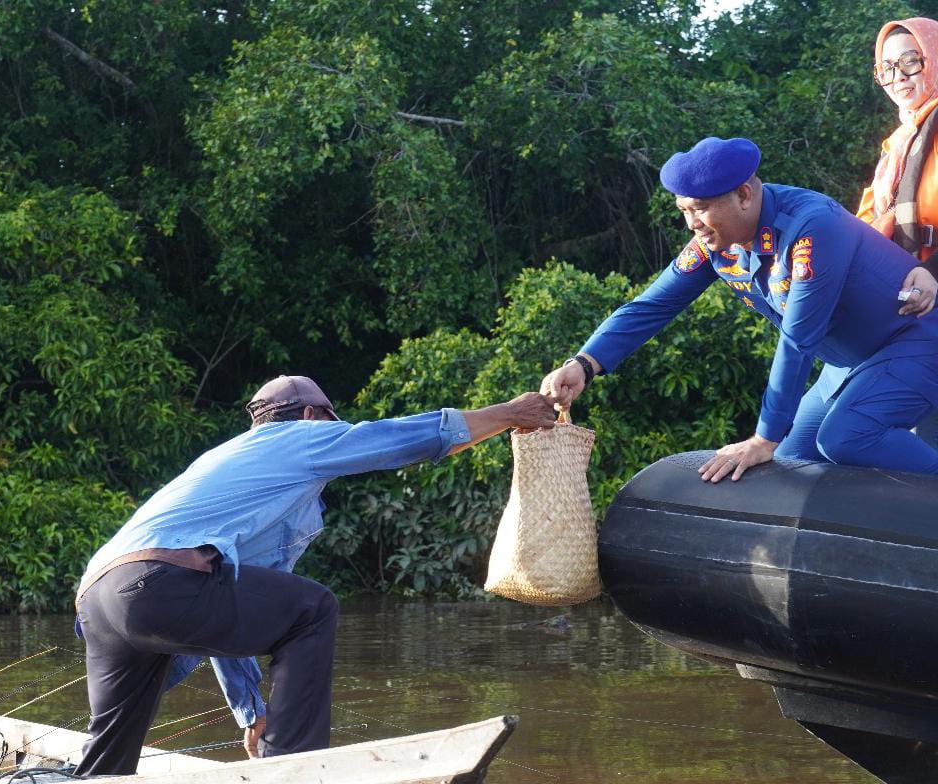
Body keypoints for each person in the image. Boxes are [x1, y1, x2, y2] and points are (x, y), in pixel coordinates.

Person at [72, 375, 557, 775]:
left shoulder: (230, 462)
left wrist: (253, 712)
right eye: (333, 422)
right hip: (160, 583)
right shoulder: (297, 439)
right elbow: (398, 439)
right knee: (314, 609)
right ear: (311, 417)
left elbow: (228, 605)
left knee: (110, 755)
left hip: (101, 598)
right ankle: (293, 770)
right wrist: (508, 413)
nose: (337, 432)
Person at [541, 136, 938, 482]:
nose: (692, 223)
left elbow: (798, 338)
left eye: (699, 209)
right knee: (792, 462)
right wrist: (584, 364)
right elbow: (652, 305)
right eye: (683, 210)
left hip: (912, 341)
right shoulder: (717, 244)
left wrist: (763, 438)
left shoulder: (812, 227)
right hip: (848, 361)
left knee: (845, 437)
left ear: (744, 194)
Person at [858, 16, 938, 444]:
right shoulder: (899, 142)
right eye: (886, 68)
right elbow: (868, 223)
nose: (897, 78)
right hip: (910, 303)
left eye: (911, 62)